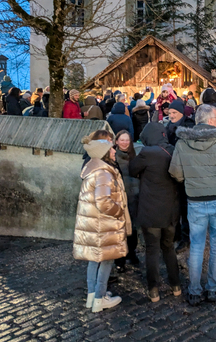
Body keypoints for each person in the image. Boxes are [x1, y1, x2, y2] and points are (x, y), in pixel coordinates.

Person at [168, 104, 216, 305]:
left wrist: (191, 178)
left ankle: (195, 291)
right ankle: (212, 288)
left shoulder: (182, 143)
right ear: (208, 120)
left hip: (196, 199)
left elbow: (176, 173)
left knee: (196, 246)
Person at [73, 133, 131, 313]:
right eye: (111, 148)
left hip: (95, 225)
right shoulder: (104, 172)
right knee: (106, 261)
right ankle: (100, 298)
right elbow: (104, 201)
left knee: (94, 261)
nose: (114, 151)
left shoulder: (93, 168)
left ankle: (92, 296)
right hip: (104, 225)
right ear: (104, 153)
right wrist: (119, 210)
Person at [130, 123, 181, 302]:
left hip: (150, 210)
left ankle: (154, 290)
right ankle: (175, 285)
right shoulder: (173, 150)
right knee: (168, 247)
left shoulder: (147, 153)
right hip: (170, 210)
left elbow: (132, 169)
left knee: (152, 249)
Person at [166, 99, 195, 252]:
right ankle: (176, 233)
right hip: (173, 170)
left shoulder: (188, 126)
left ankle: (186, 237)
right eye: (170, 112)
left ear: (181, 113)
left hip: (186, 172)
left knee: (185, 206)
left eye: (174, 113)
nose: (171, 115)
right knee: (174, 204)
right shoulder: (168, 125)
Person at [113, 131, 140, 272]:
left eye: (127, 140)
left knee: (133, 228)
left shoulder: (135, 156)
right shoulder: (113, 158)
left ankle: (132, 253)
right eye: (121, 140)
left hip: (135, 197)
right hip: (121, 198)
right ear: (116, 141)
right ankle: (120, 259)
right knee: (121, 230)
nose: (124, 142)